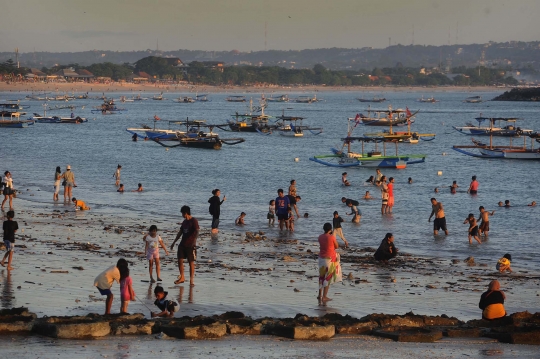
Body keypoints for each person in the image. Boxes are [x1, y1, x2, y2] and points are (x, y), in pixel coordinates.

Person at [170, 205, 199, 286]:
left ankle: (191, 280)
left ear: (185, 213)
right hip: (182, 244)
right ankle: (182, 277)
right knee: (180, 260)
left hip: (191, 245)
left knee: (191, 263)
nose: (182, 215)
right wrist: (174, 242)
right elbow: (180, 232)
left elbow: (197, 231)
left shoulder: (194, 221)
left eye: (182, 213)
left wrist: (194, 240)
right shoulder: (184, 222)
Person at [318, 222, 341, 302]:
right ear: (330, 229)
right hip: (329, 259)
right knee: (328, 277)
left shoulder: (320, 237)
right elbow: (337, 246)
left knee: (321, 276)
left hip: (321, 258)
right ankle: (324, 296)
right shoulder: (331, 237)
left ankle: (319, 295)